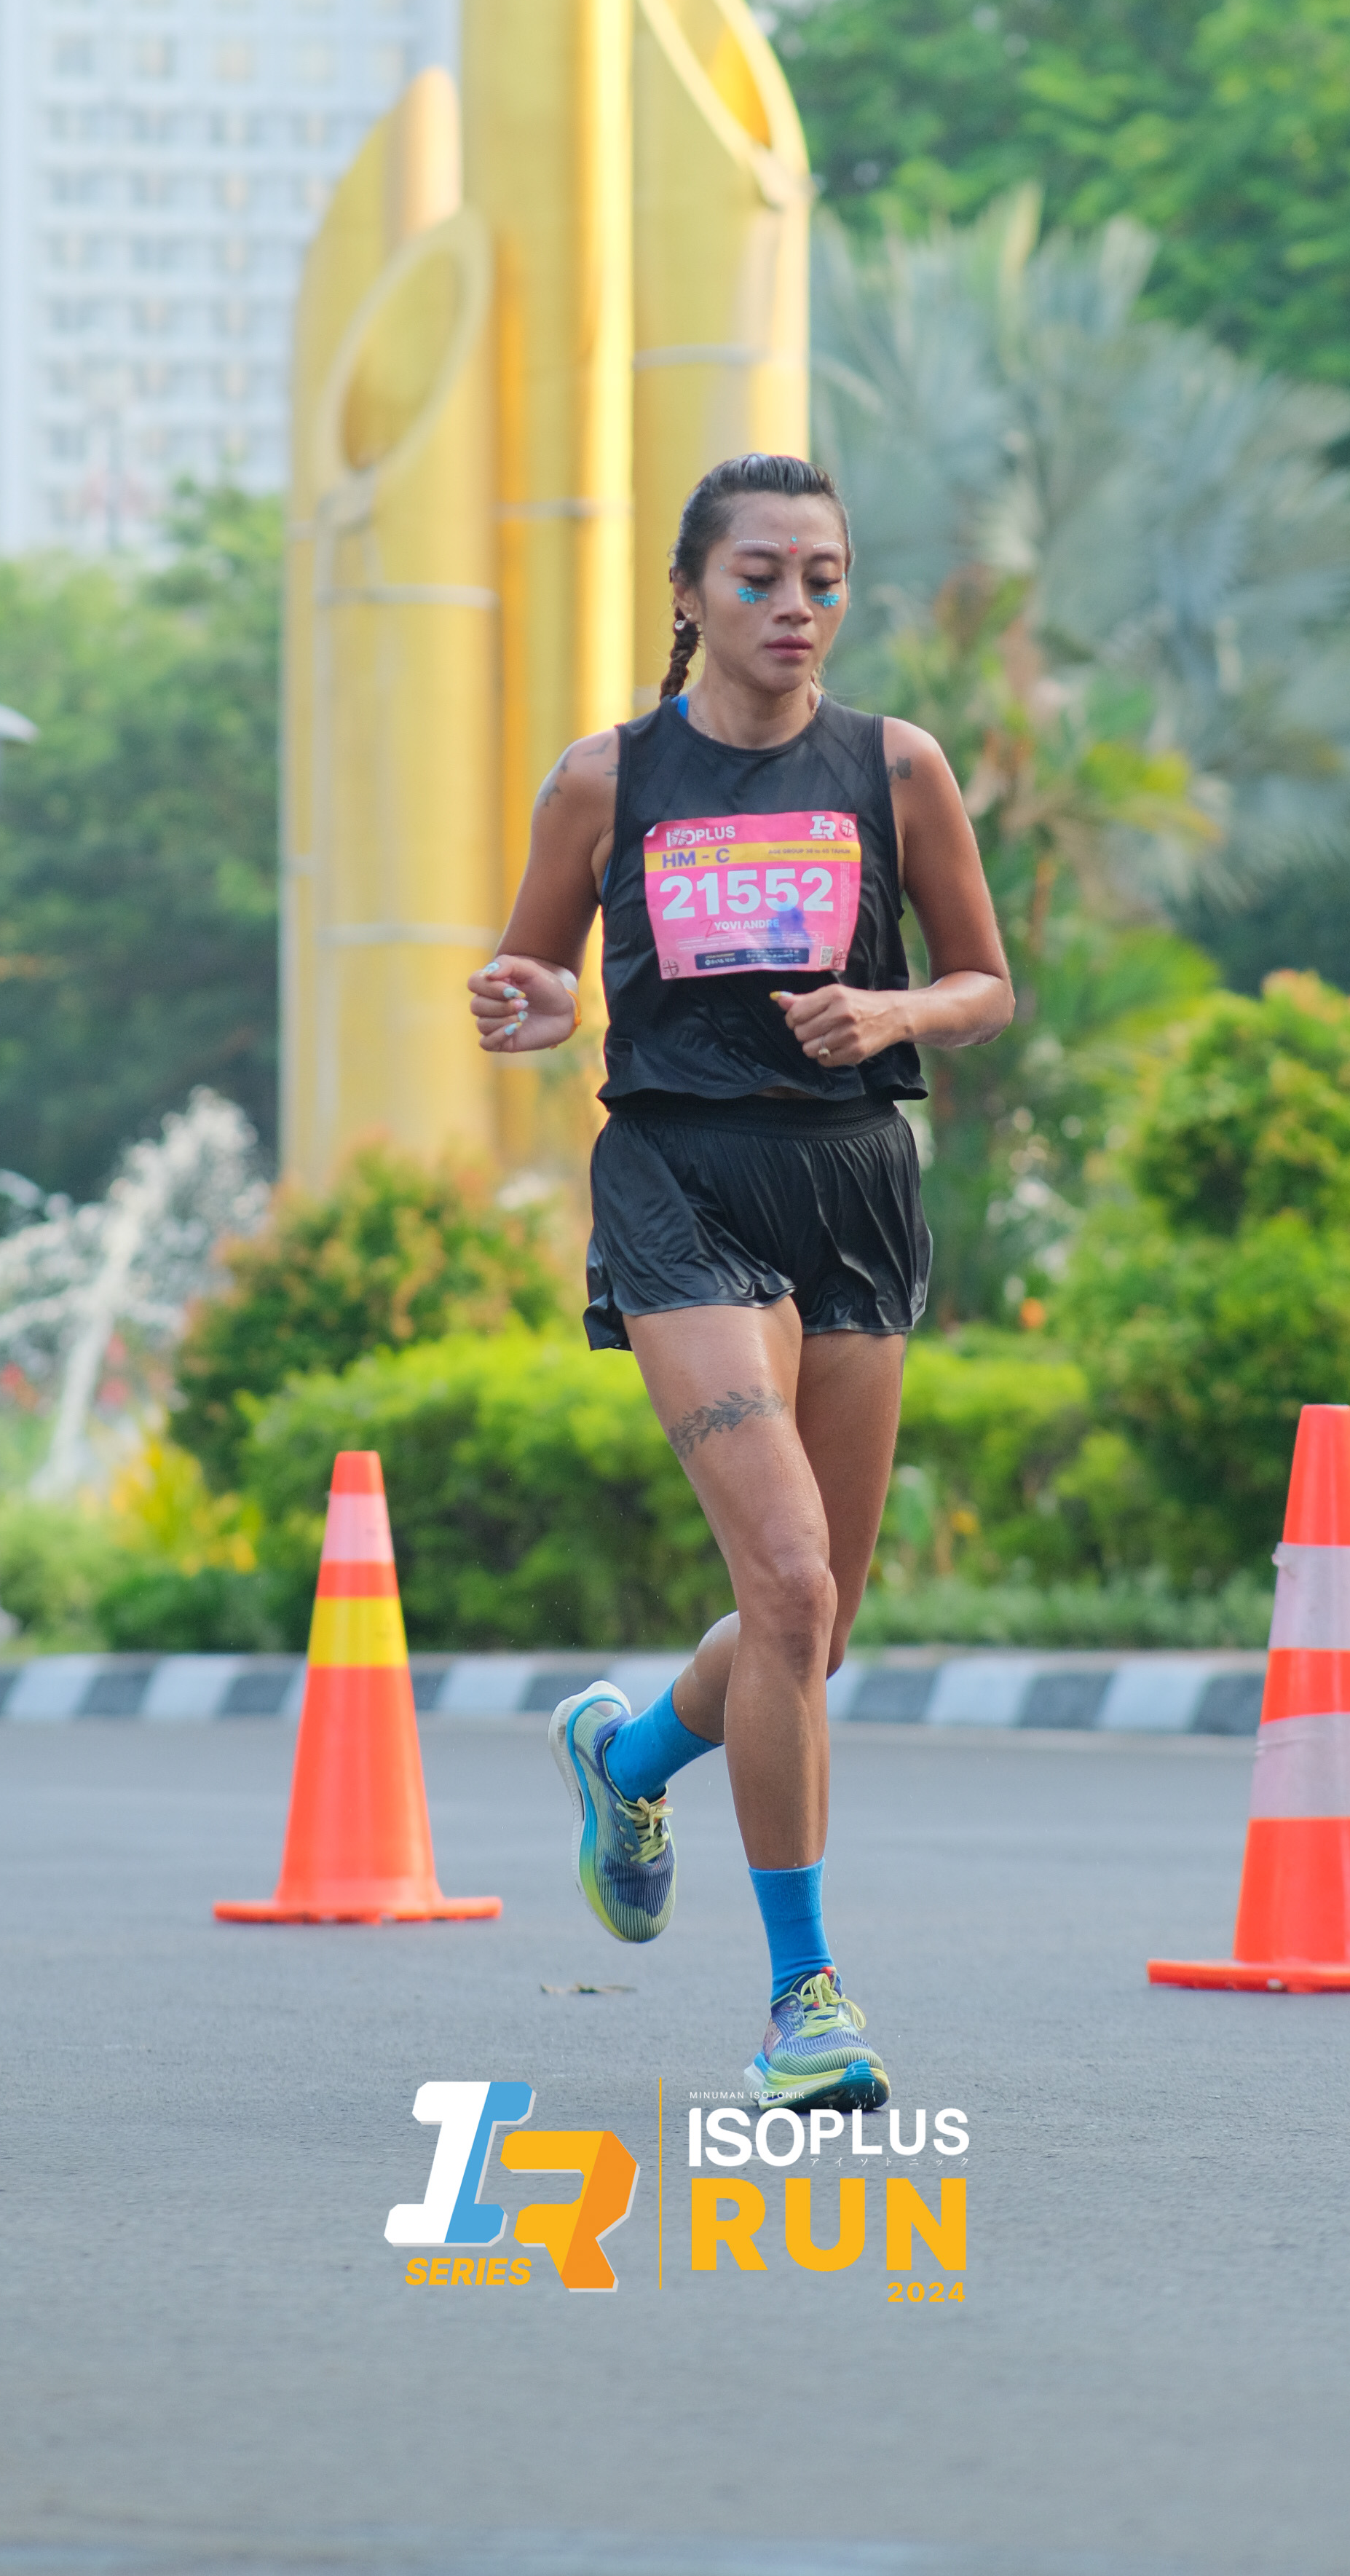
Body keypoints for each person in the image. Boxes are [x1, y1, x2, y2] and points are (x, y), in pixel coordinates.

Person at [467, 453, 1011, 2111]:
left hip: (851, 1183)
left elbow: (985, 984)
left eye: (822, 580)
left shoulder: (896, 767)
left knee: (814, 1629)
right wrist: (536, 1005)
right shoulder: (606, 779)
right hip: (677, 1179)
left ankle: (628, 1757)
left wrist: (895, 1011)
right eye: (760, 577)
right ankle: (804, 2005)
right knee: (780, 1581)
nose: (794, 607)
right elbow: (537, 970)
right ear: (691, 594)